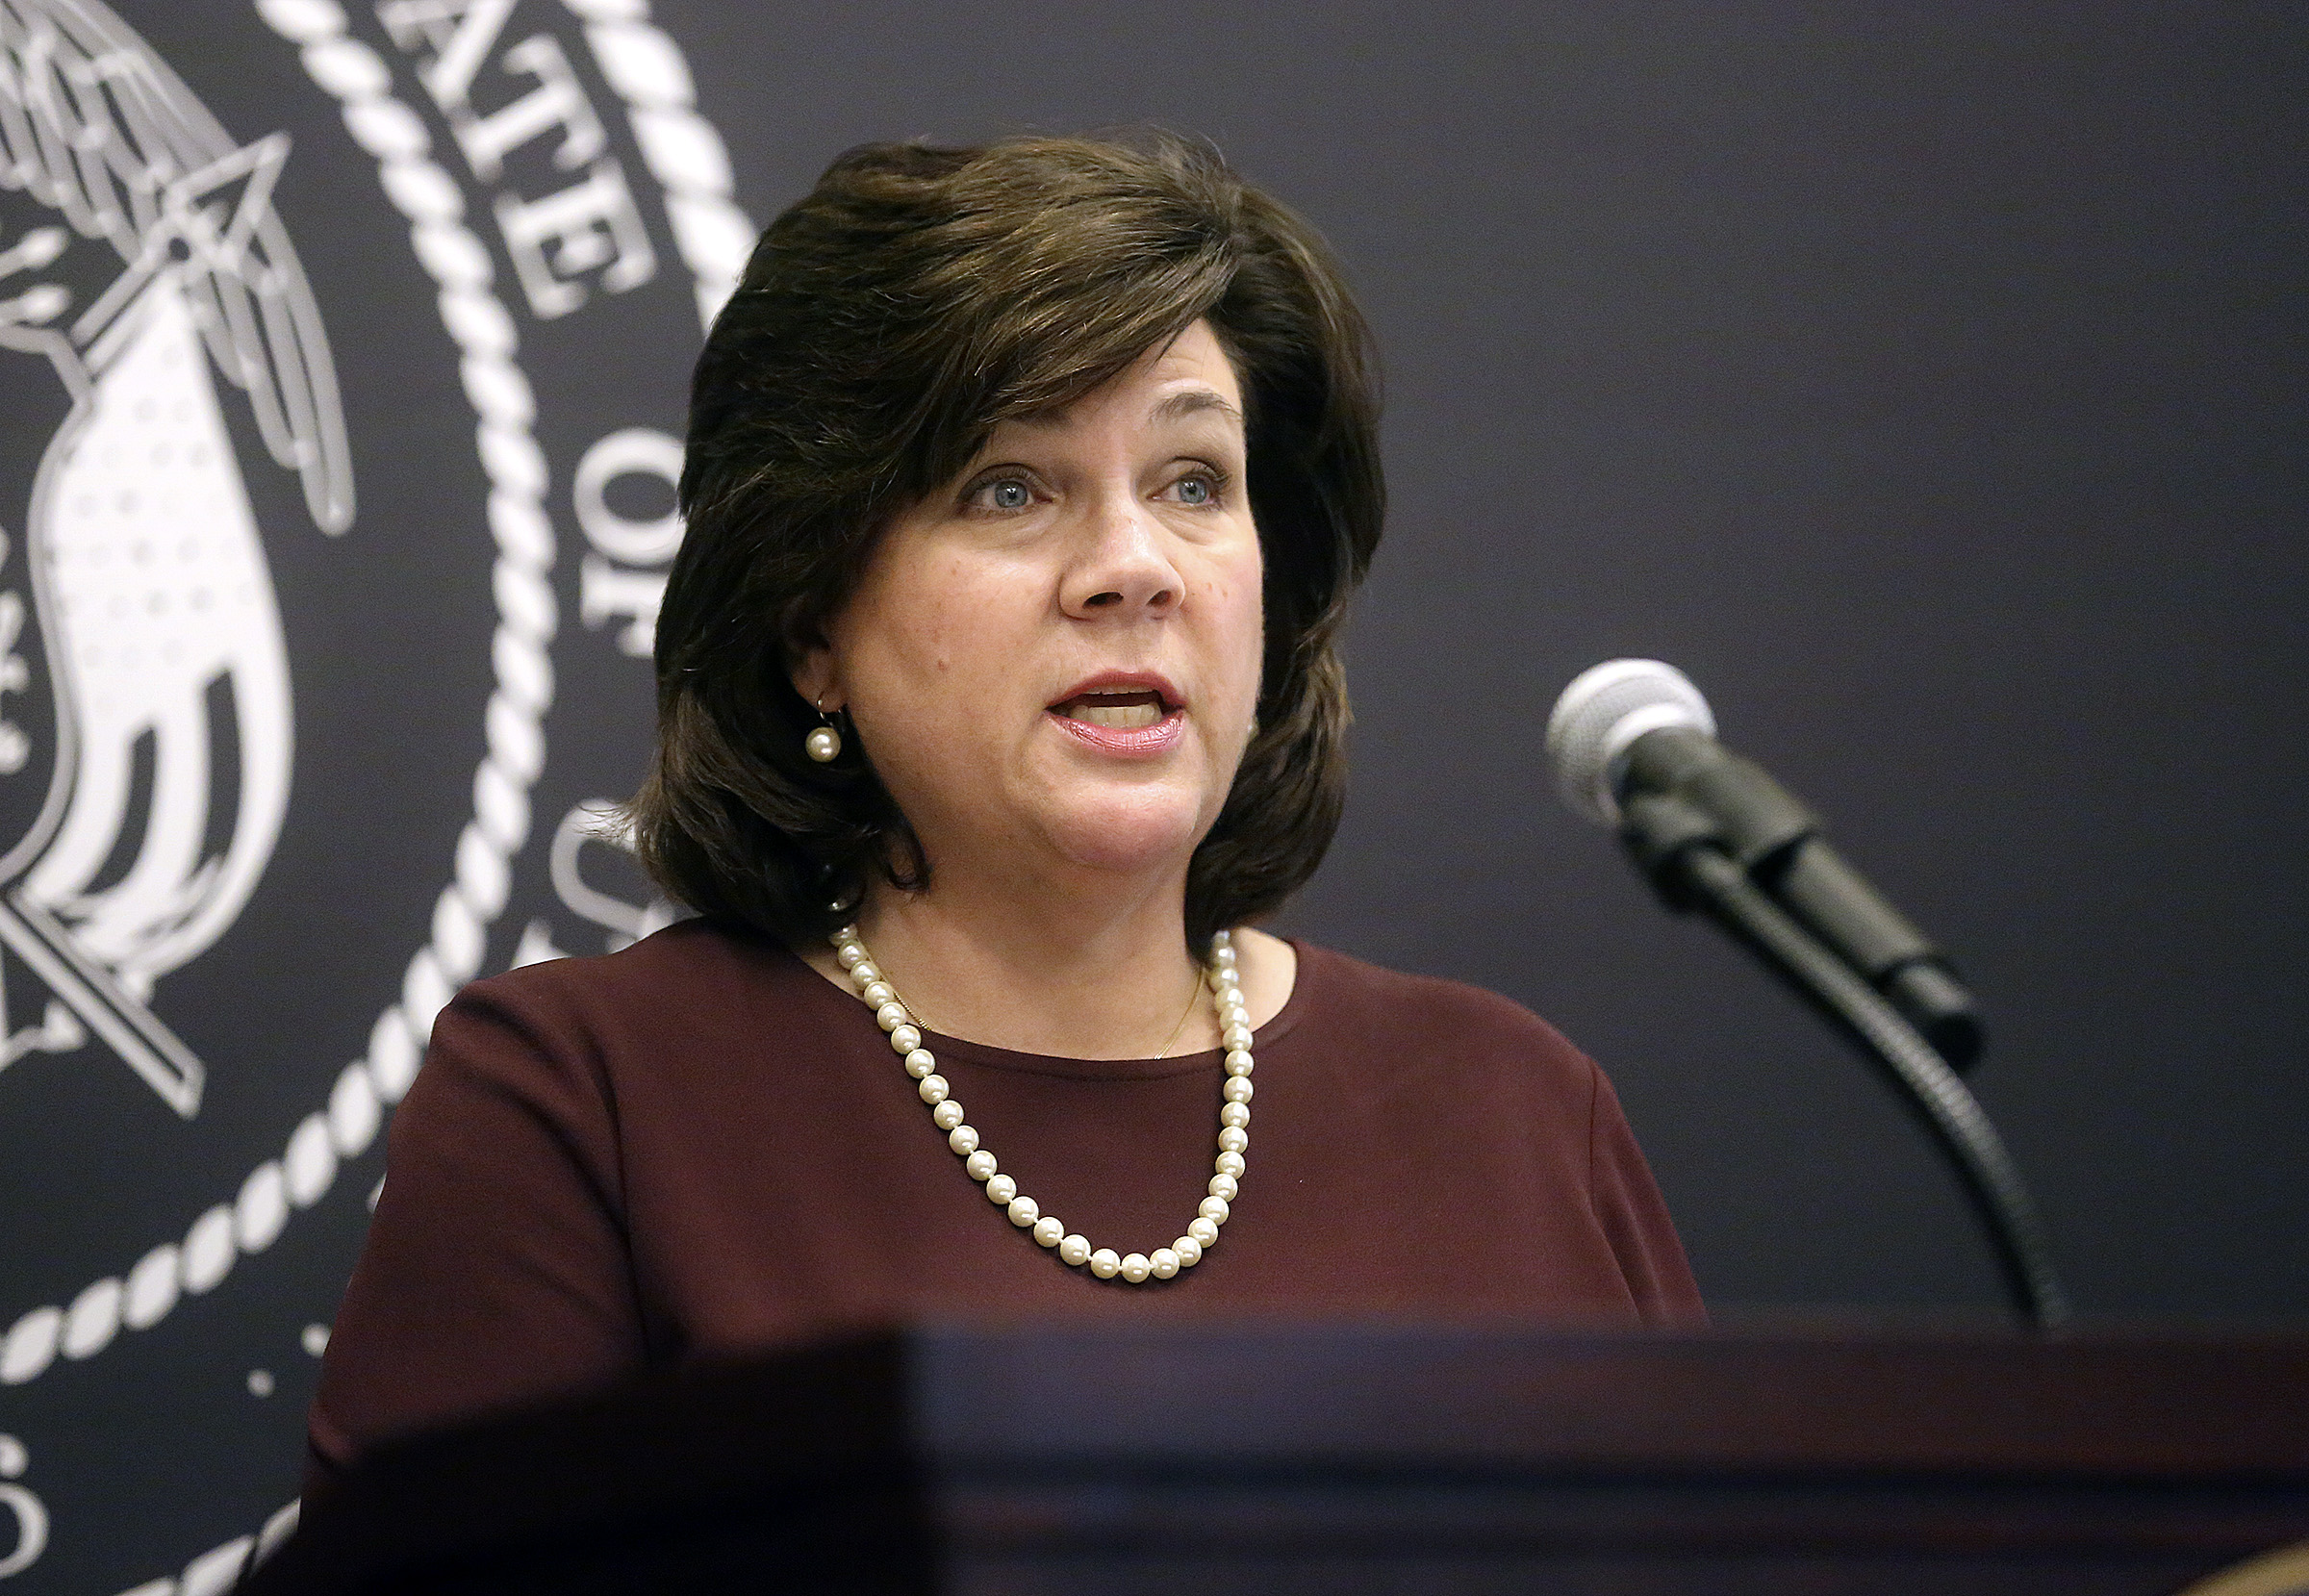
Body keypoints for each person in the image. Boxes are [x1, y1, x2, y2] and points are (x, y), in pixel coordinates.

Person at [305, 131, 1702, 1494]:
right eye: (1012, 488)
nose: (1131, 568)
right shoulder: (587, 1107)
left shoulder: (1513, 1113)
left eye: (1193, 482)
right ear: (811, 626)